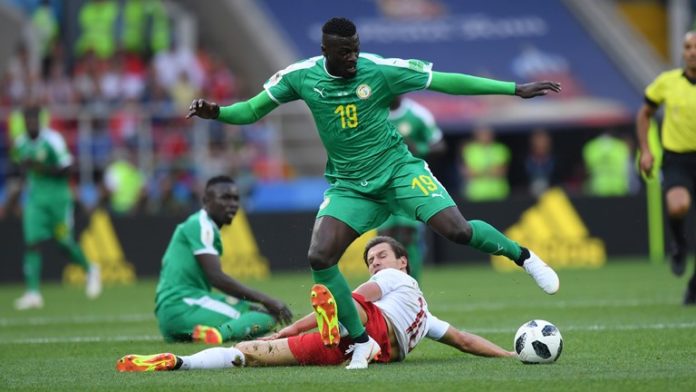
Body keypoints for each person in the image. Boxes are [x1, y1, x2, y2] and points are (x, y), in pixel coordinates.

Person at [186, 17, 560, 369]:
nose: (353, 57)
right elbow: (251, 110)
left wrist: (512, 89)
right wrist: (217, 112)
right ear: (325, 50)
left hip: (398, 171)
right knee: (320, 256)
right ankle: (361, 339)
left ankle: (523, 256)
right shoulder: (300, 77)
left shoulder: (379, 69)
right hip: (350, 186)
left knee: (457, 231)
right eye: (344, 52)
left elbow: (444, 80)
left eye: (356, 49)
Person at [116, 236, 515, 372]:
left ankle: (349, 335)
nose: (376, 262)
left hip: (367, 327)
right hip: (352, 347)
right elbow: (463, 339)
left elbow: (462, 339)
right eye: (371, 260)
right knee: (249, 354)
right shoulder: (423, 316)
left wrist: (291, 326)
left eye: (380, 256)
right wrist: (507, 356)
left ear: (402, 260)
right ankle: (180, 363)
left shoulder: (396, 280)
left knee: (343, 295)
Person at [154, 175, 293, 343]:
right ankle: (218, 334)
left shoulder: (202, 225)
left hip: (176, 309)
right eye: (225, 198)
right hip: (183, 304)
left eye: (236, 199)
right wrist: (268, 300)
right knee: (267, 317)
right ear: (206, 200)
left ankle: (203, 331)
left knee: (253, 311)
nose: (232, 204)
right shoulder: (201, 225)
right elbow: (217, 278)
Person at [13, 104, 102, 310]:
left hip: (58, 199)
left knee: (63, 242)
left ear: (40, 121)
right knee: (31, 242)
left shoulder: (52, 140)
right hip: (35, 200)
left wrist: (40, 167)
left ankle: (91, 269)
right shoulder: (21, 143)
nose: (31, 125)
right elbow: (21, 168)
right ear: (24, 123)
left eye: (35, 121)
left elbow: (68, 168)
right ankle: (33, 293)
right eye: (28, 121)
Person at [636, 31, 696, 305]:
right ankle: (679, 245)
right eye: (688, 47)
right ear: (683, 52)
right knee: (677, 206)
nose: (693, 51)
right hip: (677, 159)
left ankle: (693, 287)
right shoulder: (667, 82)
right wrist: (646, 151)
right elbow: (644, 113)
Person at [377, 96, 446, 282]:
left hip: (410, 181)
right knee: (384, 238)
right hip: (381, 183)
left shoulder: (417, 114)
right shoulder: (373, 111)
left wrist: (418, 148)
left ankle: (413, 287)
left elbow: (440, 145)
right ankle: (387, 287)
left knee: (408, 235)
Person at [459, 126, 511, 201]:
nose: (485, 136)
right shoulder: (469, 149)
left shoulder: (501, 149)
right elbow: (468, 173)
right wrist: (489, 170)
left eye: (487, 134)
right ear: (477, 135)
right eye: (482, 134)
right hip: (476, 194)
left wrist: (479, 171)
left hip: (498, 192)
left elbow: (501, 171)